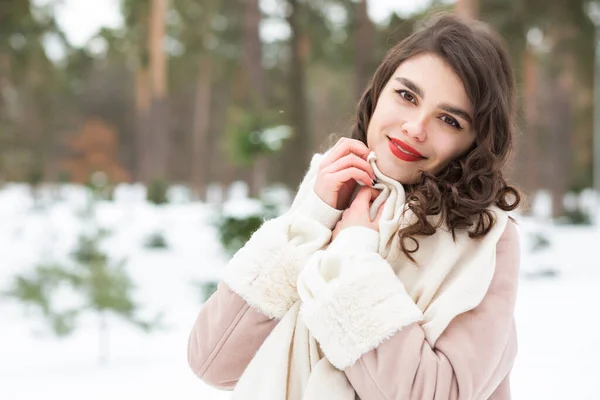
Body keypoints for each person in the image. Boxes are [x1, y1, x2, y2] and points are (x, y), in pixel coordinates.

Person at [188, 12, 522, 400]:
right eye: (406, 96)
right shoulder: (332, 193)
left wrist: (351, 260)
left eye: (449, 119)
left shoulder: (484, 240)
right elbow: (212, 362)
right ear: (378, 92)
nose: (415, 127)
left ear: (476, 142)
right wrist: (310, 221)